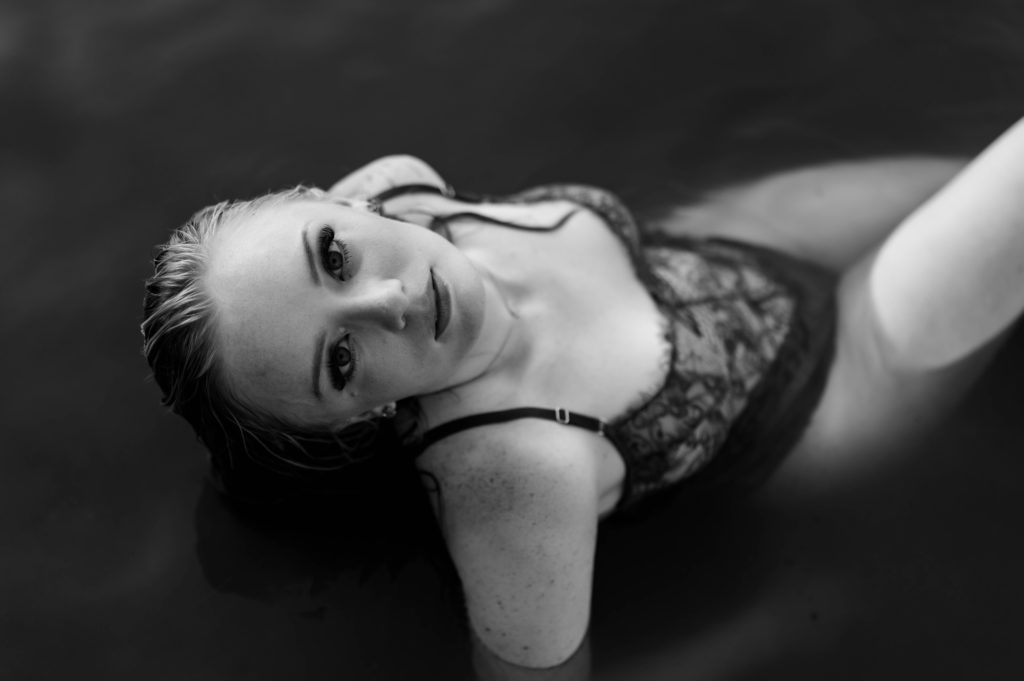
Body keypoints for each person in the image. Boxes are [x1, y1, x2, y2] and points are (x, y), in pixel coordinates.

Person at [141, 116, 1024, 671]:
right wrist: (757, 633)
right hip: (845, 374)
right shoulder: (516, 481)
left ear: (323, 202)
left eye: (331, 255)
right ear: (364, 417)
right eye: (340, 360)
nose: (392, 299)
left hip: (736, 234)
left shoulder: (388, 189)